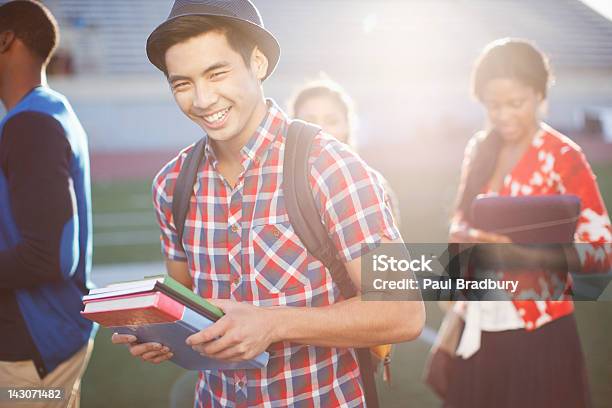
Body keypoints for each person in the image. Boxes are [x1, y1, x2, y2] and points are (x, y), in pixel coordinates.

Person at [111, 0, 425, 407]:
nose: (202, 99)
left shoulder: (329, 165)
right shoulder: (171, 184)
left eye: (216, 73)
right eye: (182, 83)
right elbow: (185, 301)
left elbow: (404, 312)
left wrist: (273, 323)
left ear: (257, 62)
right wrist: (160, 332)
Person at [446, 38, 611, 407]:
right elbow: (458, 221)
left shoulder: (563, 156)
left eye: (515, 103)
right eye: (493, 106)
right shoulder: (479, 149)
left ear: (539, 94)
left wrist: (522, 255)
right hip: (480, 326)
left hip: (539, 331)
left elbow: (601, 253)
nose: (503, 115)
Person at [0, 1, 95, 407]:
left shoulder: (31, 123)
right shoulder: (46, 110)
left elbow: (49, 257)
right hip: (51, 336)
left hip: (32, 349)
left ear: (6, 39)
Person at [290, 77, 402, 227]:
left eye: (332, 121)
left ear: (347, 126)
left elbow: (386, 249)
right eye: (310, 121)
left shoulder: (371, 184)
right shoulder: (277, 184)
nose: (320, 129)